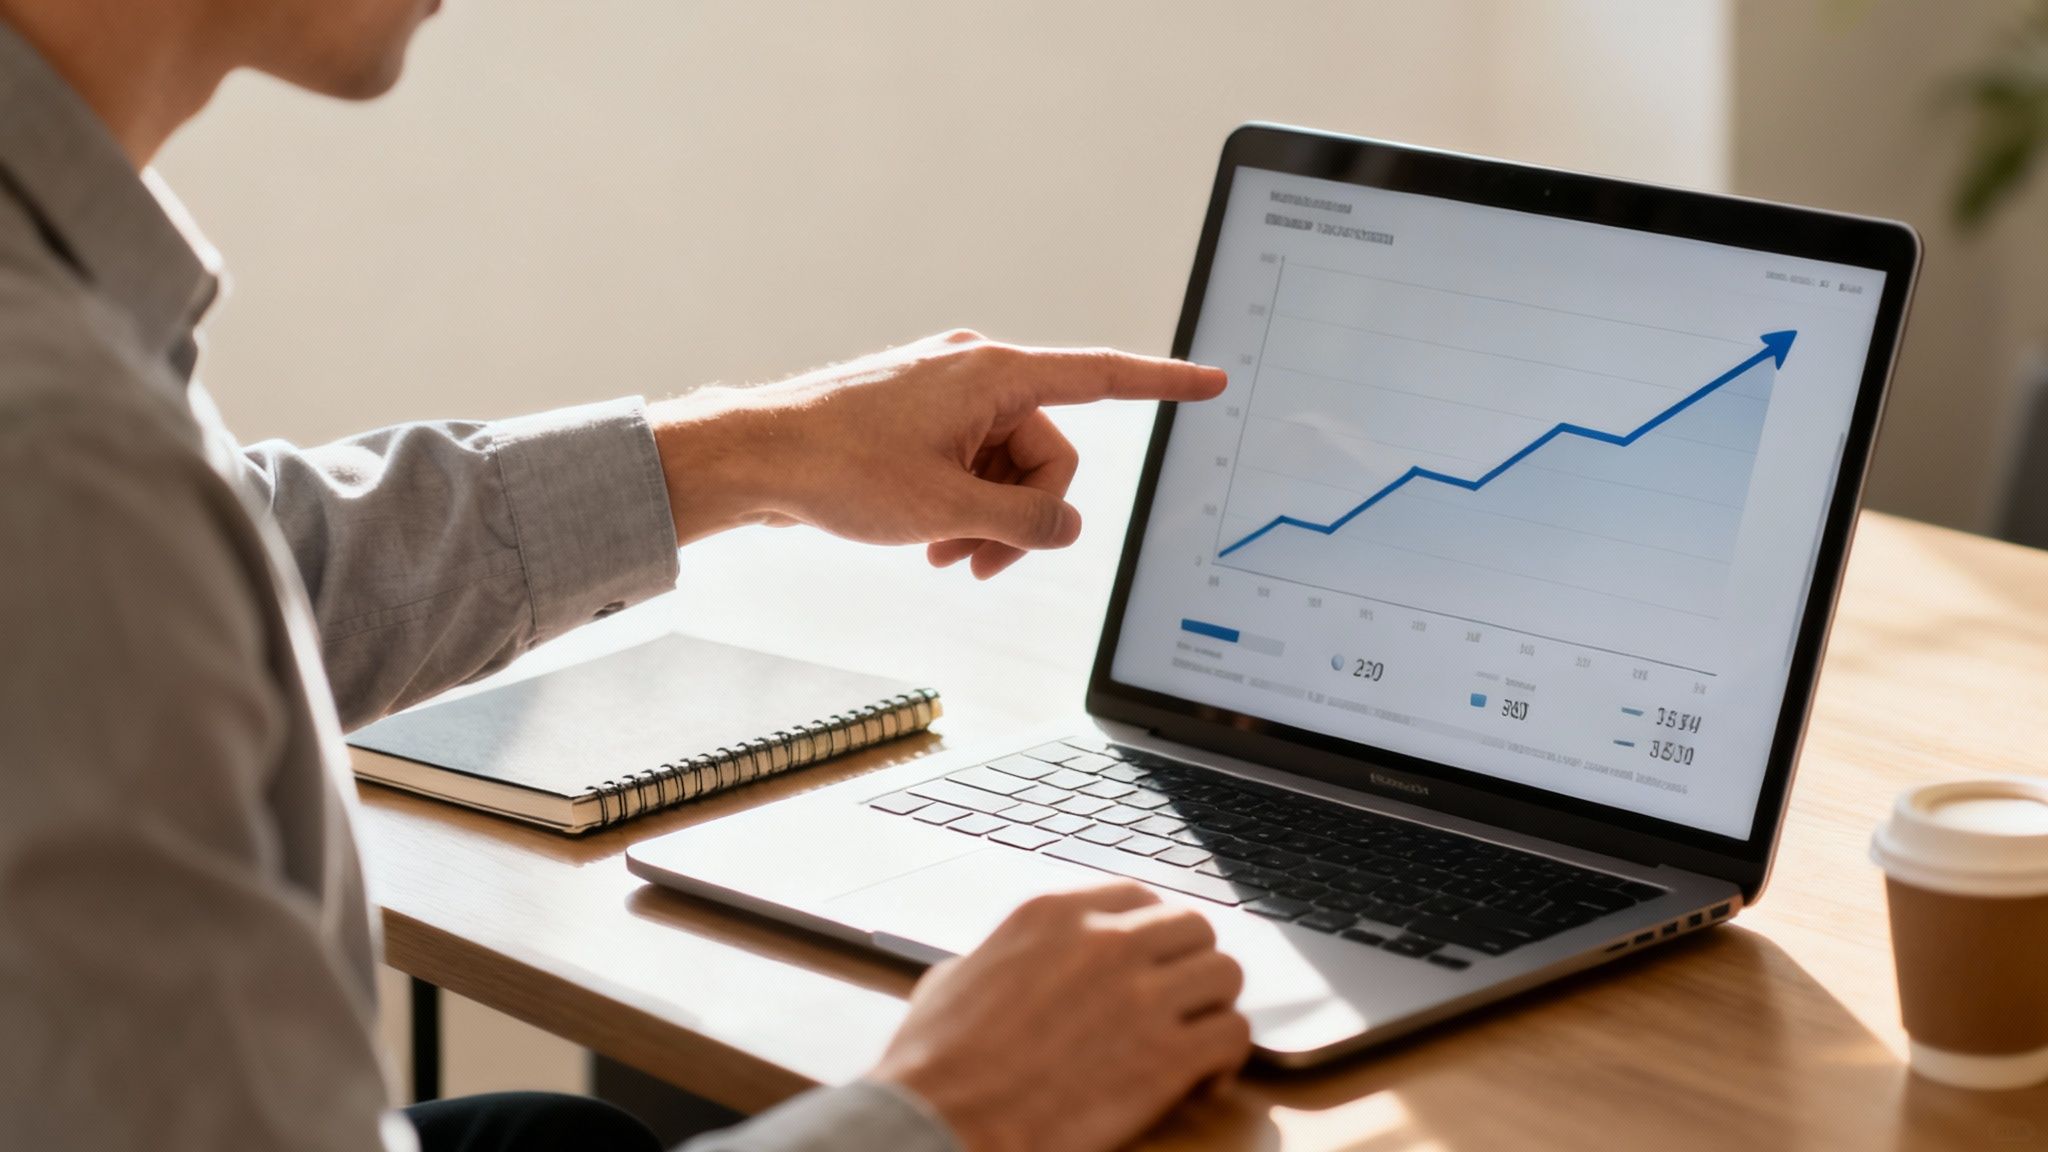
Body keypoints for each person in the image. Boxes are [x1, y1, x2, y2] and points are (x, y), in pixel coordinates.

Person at [0, 1, 1254, 1150]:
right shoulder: (59, 453)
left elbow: (231, 565)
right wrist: (948, 1114)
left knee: (561, 1143)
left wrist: (760, 451)